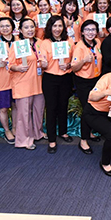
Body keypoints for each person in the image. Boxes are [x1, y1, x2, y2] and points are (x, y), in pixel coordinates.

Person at [8, 17, 46, 150]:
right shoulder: (17, 45)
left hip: (38, 82)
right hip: (23, 83)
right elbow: (10, 65)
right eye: (26, 27)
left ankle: (37, 133)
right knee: (24, 114)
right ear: (20, 30)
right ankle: (24, 140)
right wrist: (17, 67)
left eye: (32, 27)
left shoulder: (40, 43)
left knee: (38, 110)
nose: (30, 30)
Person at [39, 16, 75, 154]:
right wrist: (43, 63)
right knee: (51, 108)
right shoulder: (45, 43)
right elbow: (42, 60)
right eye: (54, 26)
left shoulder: (69, 41)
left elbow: (74, 59)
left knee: (63, 105)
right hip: (50, 78)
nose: (57, 29)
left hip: (66, 77)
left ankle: (63, 132)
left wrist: (69, 65)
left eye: (60, 26)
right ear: (50, 27)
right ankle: (52, 138)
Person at [71, 20, 103, 154]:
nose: (91, 32)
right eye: (87, 30)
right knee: (87, 110)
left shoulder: (97, 42)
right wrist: (84, 60)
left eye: (93, 29)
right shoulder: (79, 47)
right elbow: (73, 67)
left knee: (94, 108)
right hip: (83, 81)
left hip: (96, 79)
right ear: (82, 32)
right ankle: (83, 140)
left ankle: (89, 133)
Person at [0, 17, 16, 143]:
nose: (5, 28)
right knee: (3, 108)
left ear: (12, 27)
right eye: (2, 26)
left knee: (16, 106)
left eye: (7, 25)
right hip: (2, 80)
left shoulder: (19, 41)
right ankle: (7, 130)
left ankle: (16, 128)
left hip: (18, 80)